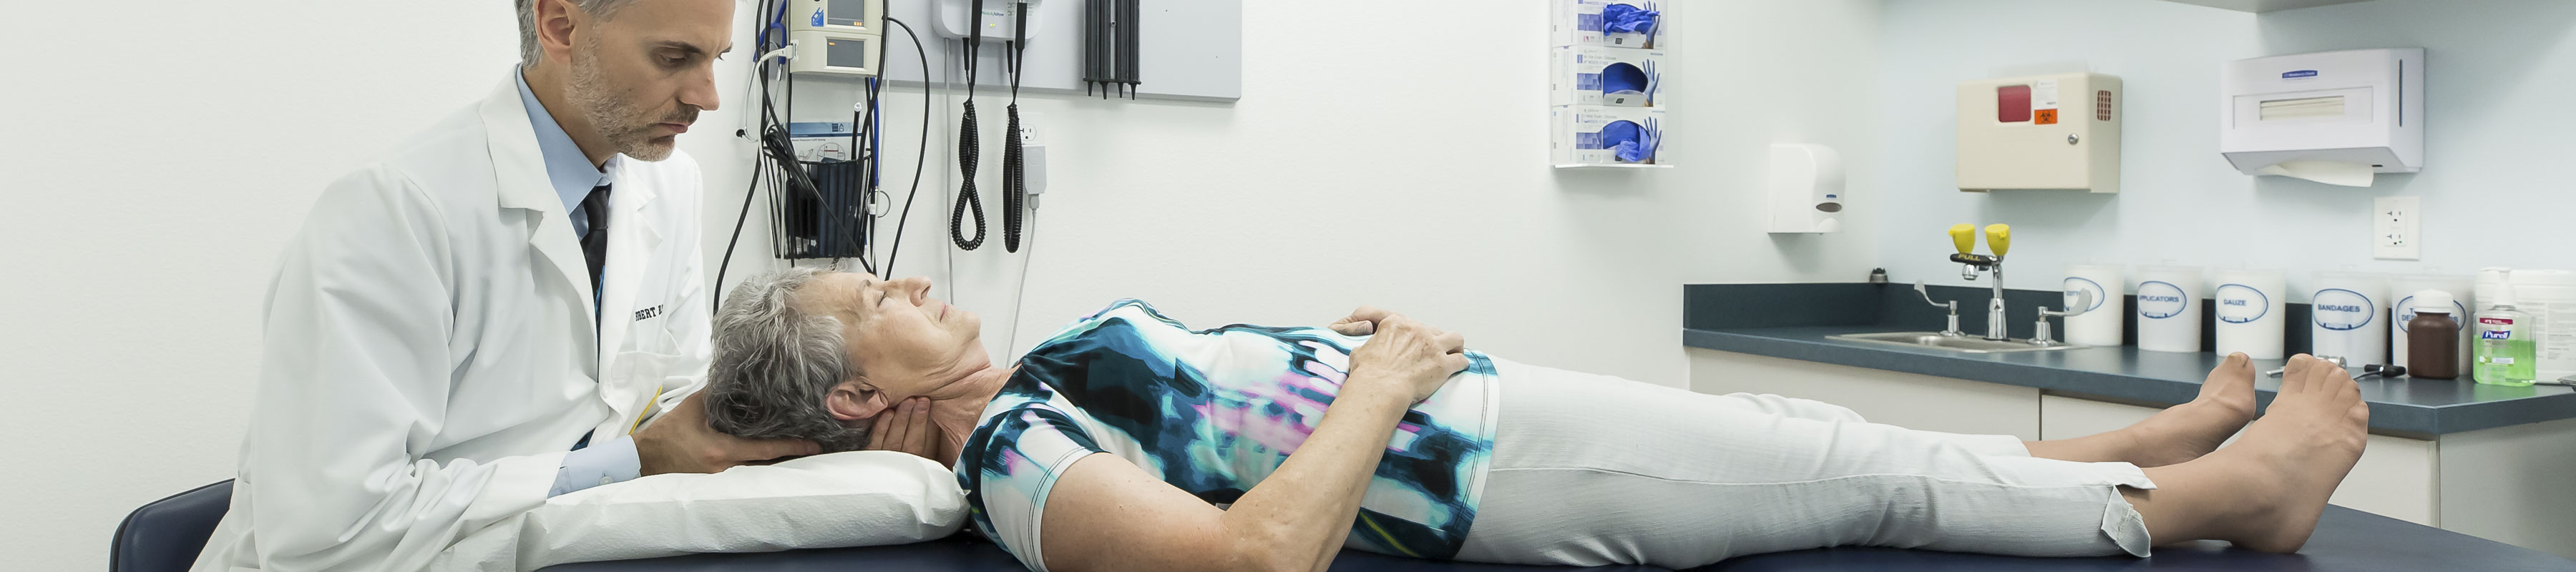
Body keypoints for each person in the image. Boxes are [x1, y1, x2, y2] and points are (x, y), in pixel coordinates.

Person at [703, 268, 2370, 572]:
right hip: (1486, 470)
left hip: (1466, 418)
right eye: (874, 292)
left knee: (1821, 440)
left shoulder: (1038, 378)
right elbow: (1243, 560)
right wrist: (1369, 388)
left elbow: (1218, 430)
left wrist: (1318, 345)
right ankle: (2214, 506)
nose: (911, 272)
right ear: (866, 393)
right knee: (1866, 477)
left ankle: (2127, 451)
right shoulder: (1006, 460)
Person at [192, 1, 857, 570]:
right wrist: (629, 462)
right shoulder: (394, 214)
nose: (707, 96)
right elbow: (328, 534)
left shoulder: (668, 184)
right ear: (560, 25)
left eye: (716, 57)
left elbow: (668, 396)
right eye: (675, 57)